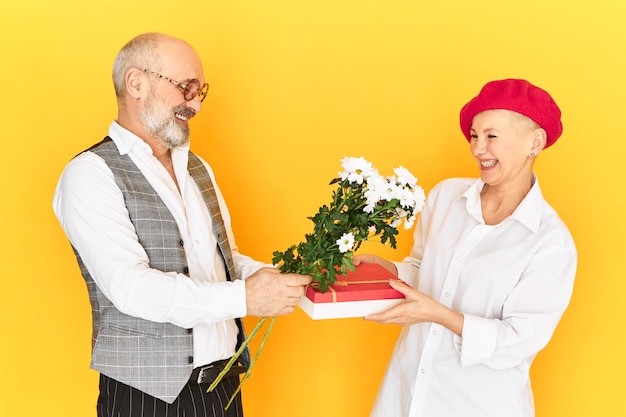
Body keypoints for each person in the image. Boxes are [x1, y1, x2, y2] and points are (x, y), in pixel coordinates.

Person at [52, 32, 311, 417]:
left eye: (200, 91)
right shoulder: (90, 174)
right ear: (136, 83)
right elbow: (131, 288)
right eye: (186, 87)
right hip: (149, 398)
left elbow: (226, 262)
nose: (196, 104)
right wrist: (246, 297)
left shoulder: (198, 168)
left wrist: (287, 278)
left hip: (223, 385)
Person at [355, 78, 577, 417]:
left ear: (535, 141)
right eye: (474, 135)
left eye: (491, 136)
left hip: (477, 404)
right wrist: (389, 271)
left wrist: (440, 316)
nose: (477, 148)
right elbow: (422, 269)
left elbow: (521, 338)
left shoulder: (550, 242)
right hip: (406, 393)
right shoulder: (446, 197)